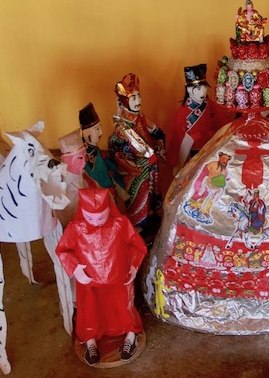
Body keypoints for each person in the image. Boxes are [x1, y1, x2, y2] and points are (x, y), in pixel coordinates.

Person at [56, 188, 147, 365]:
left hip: (119, 277)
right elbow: (63, 250)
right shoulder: (77, 227)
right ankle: (90, 341)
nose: (95, 223)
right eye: (90, 218)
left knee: (124, 307)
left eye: (100, 218)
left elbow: (137, 245)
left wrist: (133, 266)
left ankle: (131, 335)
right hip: (89, 280)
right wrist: (76, 269)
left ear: (109, 210)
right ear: (82, 211)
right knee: (90, 310)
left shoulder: (120, 223)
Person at [108, 73, 166, 237]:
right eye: (133, 97)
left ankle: (152, 214)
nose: (138, 100)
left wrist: (158, 147)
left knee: (153, 192)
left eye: (139, 96)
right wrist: (138, 164)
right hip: (134, 169)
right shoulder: (121, 126)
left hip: (150, 163)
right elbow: (116, 150)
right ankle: (138, 221)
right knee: (140, 188)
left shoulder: (141, 117)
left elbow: (157, 132)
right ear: (125, 101)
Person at [168, 64, 220, 175]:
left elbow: (219, 124)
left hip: (209, 154)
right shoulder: (182, 112)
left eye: (204, 87)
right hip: (190, 158)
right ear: (189, 89)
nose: (202, 92)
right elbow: (177, 139)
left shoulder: (210, 105)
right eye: (198, 88)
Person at [78, 102, 126, 202]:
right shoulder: (86, 155)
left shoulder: (94, 149)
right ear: (85, 132)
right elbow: (95, 177)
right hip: (100, 196)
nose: (101, 132)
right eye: (96, 129)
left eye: (100, 127)